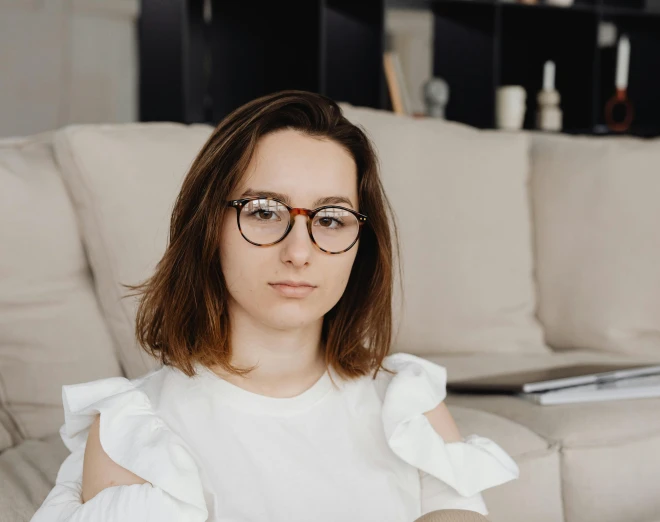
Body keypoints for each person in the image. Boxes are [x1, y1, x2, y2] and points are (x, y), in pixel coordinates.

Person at [30, 90, 519, 522]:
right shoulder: (132, 431)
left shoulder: (408, 401)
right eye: (264, 212)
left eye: (330, 219)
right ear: (208, 228)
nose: (299, 252)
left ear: (360, 245)